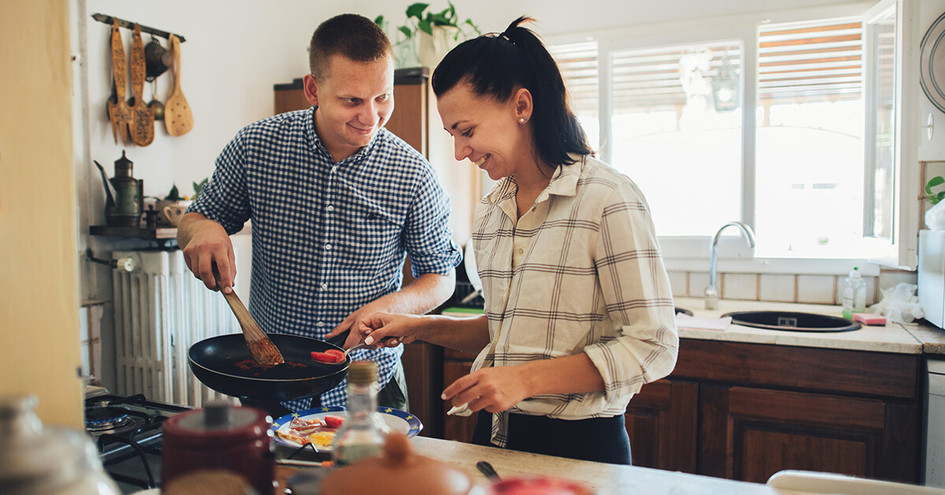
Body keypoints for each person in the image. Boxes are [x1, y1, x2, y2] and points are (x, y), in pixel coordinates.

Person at [357, 16, 678, 465]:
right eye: (452, 134)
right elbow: (509, 331)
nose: (459, 152)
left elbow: (654, 346)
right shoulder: (492, 210)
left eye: (466, 131)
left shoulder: (607, 199)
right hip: (494, 435)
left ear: (521, 105)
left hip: (582, 446)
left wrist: (523, 381)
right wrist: (420, 327)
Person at [177, 13, 461, 414]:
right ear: (312, 88)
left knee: (369, 481)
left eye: (383, 96)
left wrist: (391, 307)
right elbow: (195, 219)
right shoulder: (255, 148)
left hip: (367, 384)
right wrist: (201, 228)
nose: (371, 116)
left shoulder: (414, 173)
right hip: (271, 380)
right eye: (352, 100)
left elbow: (441, 278)